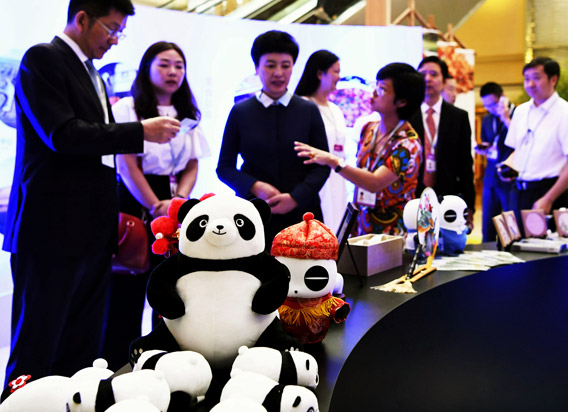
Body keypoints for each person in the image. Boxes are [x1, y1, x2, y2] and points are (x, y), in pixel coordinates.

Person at [2, 0, 180, 386]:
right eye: (111, 29)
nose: (115, 40)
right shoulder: (42, 59)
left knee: (83, 348)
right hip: (50, 229)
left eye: (120, 32)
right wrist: (139, 132)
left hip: (92, 231)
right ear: (82, 18)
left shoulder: (93, 74)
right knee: (37, 346)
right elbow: (62, 135)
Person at [100, 41, 210, 368]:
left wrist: (176, 203)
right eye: (164, 64)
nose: (173, 71)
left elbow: (192, 163)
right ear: (147, 67)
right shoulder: (128, 109)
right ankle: (117, 363)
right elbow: (127, 164)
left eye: (179, 65)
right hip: (134, 198)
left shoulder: (188, 113)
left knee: (170, 286)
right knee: (127, 287)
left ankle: (163, 361)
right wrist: (154, 204)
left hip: (174, 203)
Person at [216, 30, 329, 248]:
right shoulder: (240, 112)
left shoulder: (308, 110)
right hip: (255, 213)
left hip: (303, 213)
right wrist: (254, 186)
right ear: (257, 68)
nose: (278, 72)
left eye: (285, 65)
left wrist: (295, 197)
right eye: (270, 65)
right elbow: (224, 168)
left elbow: (322, 166)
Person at [295, 63, 424, 236]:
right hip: (362, 224)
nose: (374, 94)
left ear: (401, 102)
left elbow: (374, 183)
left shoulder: (408, 144)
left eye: (383, 89)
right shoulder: (369, 129)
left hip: (393, 231)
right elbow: (361, 177)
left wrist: (333, 161)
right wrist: (352, 223)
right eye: (376, 86)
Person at [502, 57, 568, 222]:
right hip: (518, 190)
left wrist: (549, 198)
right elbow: (516, 149)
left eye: (536, 78)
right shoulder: (520, 111)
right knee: (514, 245)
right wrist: (506, 168)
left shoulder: (567, 113)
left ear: (553, 79)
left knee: (542, 246)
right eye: (527, 79)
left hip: (549, 192)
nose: (530, 84)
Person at [409, 56, 475, 230]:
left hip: (448, 195)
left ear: (444, 81)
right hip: (413, 196)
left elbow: (465, 163)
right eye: (423, 74)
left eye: (433, 74)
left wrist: (469, 205)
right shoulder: (407, 115)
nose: (428, 79)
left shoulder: (458, 117)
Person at [295, 50, 347, 231]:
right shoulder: (302, 106)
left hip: (338, 178)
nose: (339, 77)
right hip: (316, 179)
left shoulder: (336, 109)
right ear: (319, 73)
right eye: (335, 71)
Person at [477, 82, 515, 242]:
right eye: (486, 106)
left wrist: (505, 118)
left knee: (510, 225)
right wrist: (484, 148)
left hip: (511, 176)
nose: (490, 109)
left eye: (492, 104)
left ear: (502, 98)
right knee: (488, 224)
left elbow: (521, 141)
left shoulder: (517, 114)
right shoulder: (487, 120)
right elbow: (489, 142)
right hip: (491, 176)